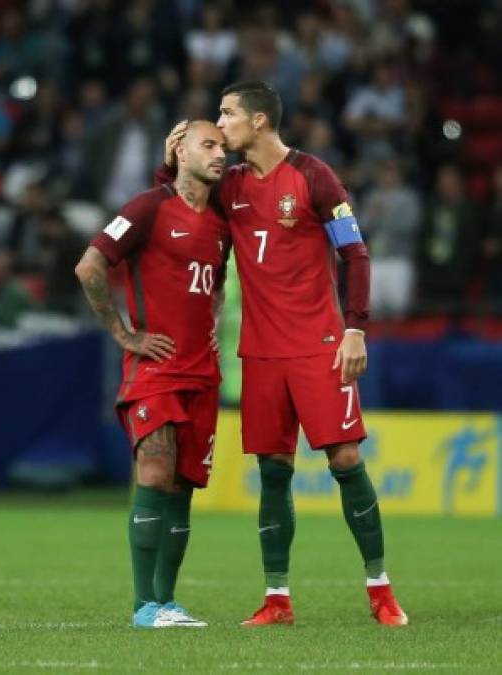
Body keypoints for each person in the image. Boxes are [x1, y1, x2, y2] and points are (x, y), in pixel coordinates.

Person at [162, 81, 407, 626]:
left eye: (227, 115)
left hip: (320, 346)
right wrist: (169, 163)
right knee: (274, 472)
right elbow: (180, 203)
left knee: (345, 460)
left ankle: (380, 589)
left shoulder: (314, 176)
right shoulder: (231, 185)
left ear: (259, 122)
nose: (219, 125)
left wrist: (356, 329)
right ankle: (277, 599)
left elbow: (355, 253)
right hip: (263, 354)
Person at [74, 121, 228, 628]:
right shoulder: (147, 207)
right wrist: (123, 334)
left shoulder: (223, 220)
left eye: (223, 146)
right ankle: (144, 607)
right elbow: (89, 266)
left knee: (183, 486)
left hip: (202, 373)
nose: (220, 153)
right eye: (209, 144)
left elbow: (218, 284)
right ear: (179, 150)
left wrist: (215, 323)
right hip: (155, 370)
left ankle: (167, 602)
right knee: (156, 470)